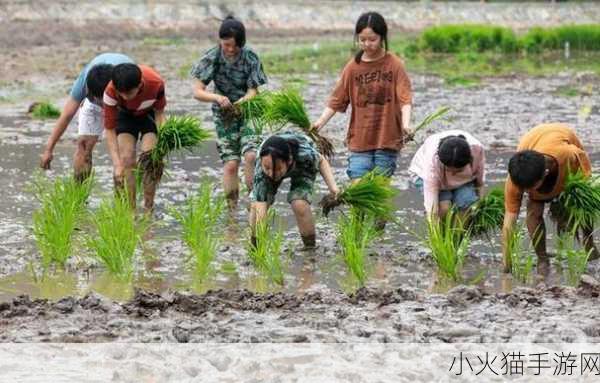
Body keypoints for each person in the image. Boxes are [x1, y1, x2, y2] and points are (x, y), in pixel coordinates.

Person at [312, 11, 412, 182]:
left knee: (377, 190)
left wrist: (406, 124)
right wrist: (319, 123)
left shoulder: (394, 64)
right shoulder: (353, 67)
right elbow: (337, 99)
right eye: (362, 40)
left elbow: (405, 98)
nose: (367, 44)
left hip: (387, 139)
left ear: (382, 37)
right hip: (359, 140)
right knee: (358, 188)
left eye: (372, 40)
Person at [191, 16, 268, 210]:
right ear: (220, 40)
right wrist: (217, 98)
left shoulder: (250, 56)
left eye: (235, 46)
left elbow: (253, 90)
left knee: (251, 156)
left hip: (249, 110)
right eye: (226, 45)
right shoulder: (212, 57)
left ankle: (254, 203)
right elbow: (197, 91)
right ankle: (232, 213)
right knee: (231, 164)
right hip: (224, 113)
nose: (231, 50)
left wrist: (243, 101)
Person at [502, 123, 599, 274]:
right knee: (533, 210)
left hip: (563, 141)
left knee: (581, 206)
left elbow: (584, 171)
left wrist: (573, 200)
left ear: (545, 173)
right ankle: (542, 259)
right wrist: (506, 265)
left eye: (530, 187)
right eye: (524, 189)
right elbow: (509, 221)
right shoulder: (516, 178)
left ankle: (590, 246)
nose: (526, 192)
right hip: (532, 142)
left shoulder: (568, 156)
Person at [40, 53, 134, 181]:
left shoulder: (126, 87)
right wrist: (48, 149)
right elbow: (67, 115)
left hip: (123, 102)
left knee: (125, 155)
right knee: (84, 146)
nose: (104, 107)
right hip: (98, 96)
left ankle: (122, 198)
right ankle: (79, 195)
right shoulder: (85, 84)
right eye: (99, 101)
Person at [249, 132, 339, 249]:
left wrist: (334, 189)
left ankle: (310, 248)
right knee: (256, 208)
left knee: (299, 204)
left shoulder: (304, 154)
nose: (272, 174)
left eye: (278, 169)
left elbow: (321, 161)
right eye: (267, 168)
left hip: (302, 167)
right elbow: (261, 209)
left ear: (289, 161)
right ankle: (253, 245)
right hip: (270, 161)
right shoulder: (262, 168)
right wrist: (259, 249)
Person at [102, 63, 166, 212]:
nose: (125, 97)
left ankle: (148, 209)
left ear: (139, 84)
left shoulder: (156, 84)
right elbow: (110, 129)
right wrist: (117, 164)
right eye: (121, 93)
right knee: (126, 159)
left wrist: (163, 141)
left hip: (148, 115)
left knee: (150, 159)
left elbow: (159, 113)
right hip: (124, 116)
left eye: (129, 93)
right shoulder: (110, 92)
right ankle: (130, 211)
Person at [409, 130, 485, 219]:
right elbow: (432, 208)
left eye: (458, 171)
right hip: (424, 174)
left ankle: (460, 232)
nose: (452, 174)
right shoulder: (432, 162)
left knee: (466, 202)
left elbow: (479, 182)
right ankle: (444, 231)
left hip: (464, 179)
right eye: (449, 170)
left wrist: (482, 205)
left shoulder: (477, 149)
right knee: (444, 207)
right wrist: (434, 230)